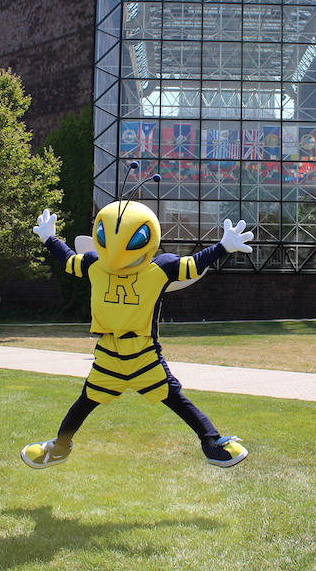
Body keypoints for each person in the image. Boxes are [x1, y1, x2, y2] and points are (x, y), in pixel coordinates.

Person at [21, 199, 254, 470]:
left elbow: (194, 263)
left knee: (174, 398)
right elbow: (68, 259)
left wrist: (223, 247)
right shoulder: (94, 264)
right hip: (109, 353)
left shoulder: (158, 269)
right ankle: (59, 447)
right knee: (86, 402)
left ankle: (212, 442)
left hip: (143, 353)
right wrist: (49, 238)